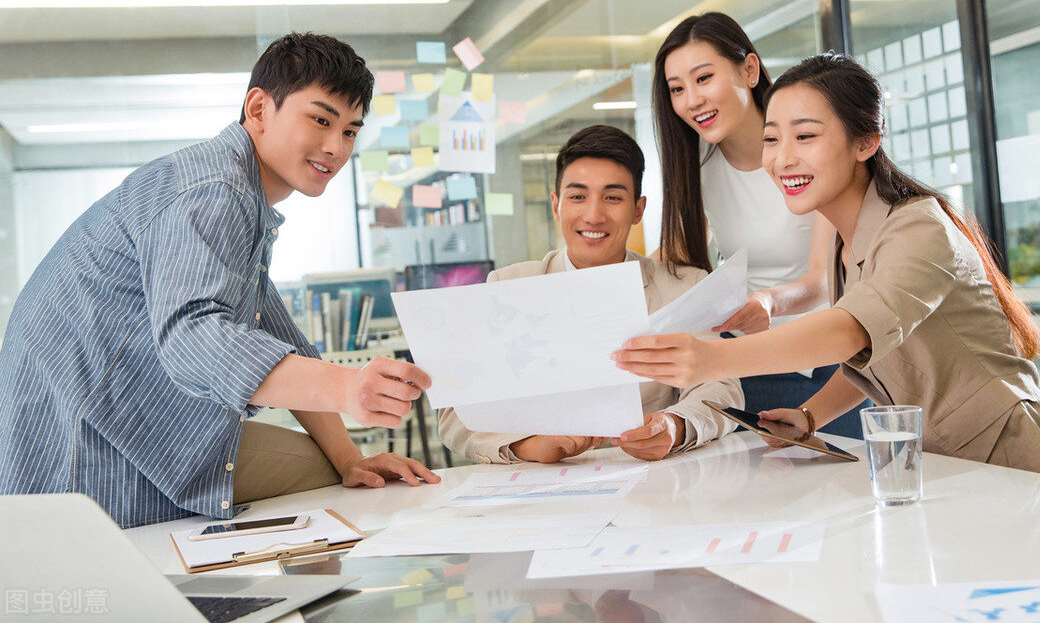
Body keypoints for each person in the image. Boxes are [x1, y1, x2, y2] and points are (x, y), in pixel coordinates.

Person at [0, 32, 440, 528]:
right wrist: (348, 388)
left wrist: (349, 457)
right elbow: (193, 338)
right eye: (321, 120)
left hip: (118, 418)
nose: (335, 147)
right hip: (86, 436)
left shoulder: (239, 195)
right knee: (323, 483)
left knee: (336, 473)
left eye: (351, 132)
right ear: (258, 109)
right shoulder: (215, 188)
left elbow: (275, 336)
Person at [617, 53, 1040, 480]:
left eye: (805, 136)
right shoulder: (843, 244)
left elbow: (850, 333)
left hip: (1010, 458)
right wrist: (809, 416)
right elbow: (875, 359)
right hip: (939, 463)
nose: (783, 158)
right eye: (772, 139)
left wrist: (712, 358)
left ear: (866, 142)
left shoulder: (918, 227)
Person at [438, 125, 742, 464]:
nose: (594, 215)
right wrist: (528, 445)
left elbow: (723, 388)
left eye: (612, 197)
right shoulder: (507, 287)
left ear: (638, 210)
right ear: (556, 205)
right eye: (578, 196)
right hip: (541, 487)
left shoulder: (683, 287)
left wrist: (675, 426)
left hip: (653, 483)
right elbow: (456, 412)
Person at [653, 11, 867, 435]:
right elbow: (677, 257)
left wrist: (769, 302)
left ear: (749, 70)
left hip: (824, 362)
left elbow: (827, 277)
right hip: (742, 363)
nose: (691, 100)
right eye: (677, 89)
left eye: (703, 78)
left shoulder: (809, 147)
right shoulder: (695, 161)